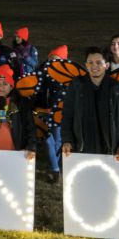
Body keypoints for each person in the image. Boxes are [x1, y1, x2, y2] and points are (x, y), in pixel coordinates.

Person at [60, 47, 119, 165]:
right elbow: (67, 116)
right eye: (90, 62)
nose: (94, 66)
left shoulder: (118, 88)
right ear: (86, 65)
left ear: (106, 65)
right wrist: (67, 140)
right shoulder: (76, 86)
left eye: (98, 62)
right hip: (82, 150)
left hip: (112, 151)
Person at [35, 45, 70, 183]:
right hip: (42, 111)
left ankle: (54, 168)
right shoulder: (41, 72)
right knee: (48, 139)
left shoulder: (67, 77)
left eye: (56, 59)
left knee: (58, 140)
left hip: (58, 113)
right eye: (51, 58)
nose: (52, 61)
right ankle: (56, 170)